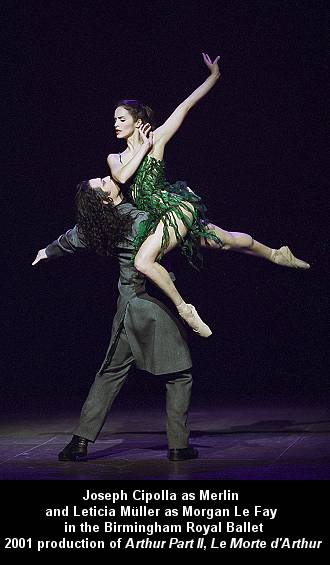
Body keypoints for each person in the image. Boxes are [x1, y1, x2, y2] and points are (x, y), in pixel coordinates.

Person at [105, 53, 310, 332]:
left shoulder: (159, 139)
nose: (115, 123)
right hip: (159, 220)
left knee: (143, 260)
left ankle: (185, 310)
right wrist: (142, 147)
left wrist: (213, 76)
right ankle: (277, 254)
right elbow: (122, 175)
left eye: (120, 118)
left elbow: (185, 106)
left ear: (136, 120)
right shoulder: (115, 158)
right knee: (225, 241)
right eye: (114, 119)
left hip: (176, 209)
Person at [32, 178, 198, 462]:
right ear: (106, 199)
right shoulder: (140, 218)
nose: (108, 177)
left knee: (109, 373)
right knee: (179, 374)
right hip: (150, 304)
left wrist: (46, 251)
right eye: (102, 182)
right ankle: (178, 446)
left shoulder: (100, 228)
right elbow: (174, 226)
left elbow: (72, 239)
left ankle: (79, 442)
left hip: (127, 308)